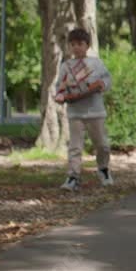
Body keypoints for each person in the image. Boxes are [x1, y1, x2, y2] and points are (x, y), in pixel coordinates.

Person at [54, 28, 114, 192]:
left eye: (80, 44)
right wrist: (62, 93)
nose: (76, 47)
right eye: (72, 44)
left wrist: (102, 85)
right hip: (75, 112)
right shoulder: (66, 66)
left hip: (95, 112)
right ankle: (73, 176)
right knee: (75, 147)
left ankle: (103, 169)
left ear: (87, 45)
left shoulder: (96, 63)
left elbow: (107, 79)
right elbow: (60, 86)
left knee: (102, 144)